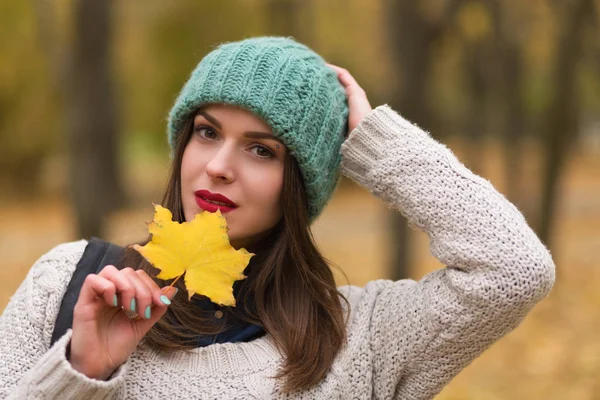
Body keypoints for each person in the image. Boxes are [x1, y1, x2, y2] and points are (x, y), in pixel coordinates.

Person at [0, 37, 555, 399]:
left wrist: (379, 146)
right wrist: (81, 373)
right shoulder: (72, 285)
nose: (217, 167)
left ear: (301, 185)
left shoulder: (358, 340)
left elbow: (514, 270)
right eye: (207, 132)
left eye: (261, 150)